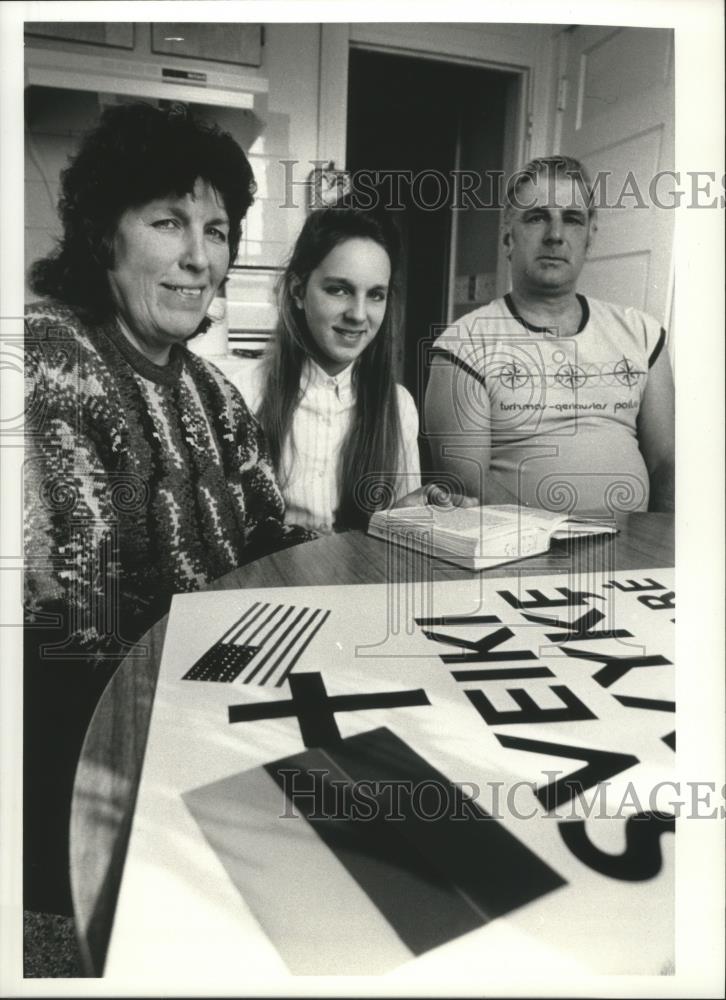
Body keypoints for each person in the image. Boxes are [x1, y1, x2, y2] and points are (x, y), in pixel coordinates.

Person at [24, 102, 312, 916]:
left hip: (210, 715)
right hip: (89, 770)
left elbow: (269, 537)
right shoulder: (48, 360)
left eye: (216, 230)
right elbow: (69, 623)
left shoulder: (213, 393)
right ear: (102, 238)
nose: (197, 258)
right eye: (167, 222)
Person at [424, 155, 675, 516]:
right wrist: (556, 539)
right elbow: (465, 481)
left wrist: (658, 548)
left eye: (572, 219)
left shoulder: (643, 334)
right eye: (537, 216)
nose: (555, 235)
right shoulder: (462, 346)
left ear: (590, 237)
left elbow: (667, 464)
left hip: (634, 554)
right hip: (524, 556)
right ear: (508, 236)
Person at [234, 206, 421, 532]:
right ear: (297, 292)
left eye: (376, 295)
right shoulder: (243, 394)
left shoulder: (398, 405)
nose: (359, 315)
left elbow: (402, 536)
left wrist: (411, 516)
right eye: (339, 290)